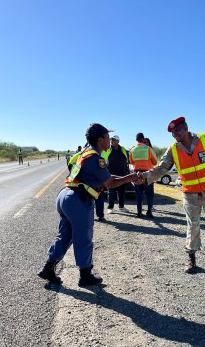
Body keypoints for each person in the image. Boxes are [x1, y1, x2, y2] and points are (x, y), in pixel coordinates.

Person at [38, 123, 139, 287]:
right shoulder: (96, 158)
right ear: (100, 140)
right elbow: (110, 183)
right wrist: (130, 178)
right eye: (107, 137)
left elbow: (104, 176)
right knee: (83, 238)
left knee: (65, 235)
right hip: (78, 200)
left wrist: (128, 176)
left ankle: (48, 268)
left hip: (65, 196)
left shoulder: (84, 153)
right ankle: (85, 276)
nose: (110, 140)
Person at [139, 117, 205, 273]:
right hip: (190, 194)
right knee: (192, 226)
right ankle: (191, 259)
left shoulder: (204, 139)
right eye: (173, 133)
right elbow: (161, 169)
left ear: (186, 128)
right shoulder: (173, 149)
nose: (175, 135)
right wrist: (145, 177)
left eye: (177, 131)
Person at [130, 132, 157, 218]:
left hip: (137, 174)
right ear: (143, 139)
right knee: (149, 193)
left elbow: (131, 162)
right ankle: (149, 211)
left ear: (136, 139)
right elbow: (155, 161)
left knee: (138, 194)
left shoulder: (132, 149)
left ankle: (139, 212)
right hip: (147, 174)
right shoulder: (148, 149)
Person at [105, 135, 129, 214]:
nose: (112, 141)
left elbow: (126, 161)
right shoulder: (108, 150)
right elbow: (103, 160)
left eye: (114, 140)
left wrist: (127, 172)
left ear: (118, 141)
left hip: (122, 174)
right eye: (112, 140)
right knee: (111, 192)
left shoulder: (123, 149)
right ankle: (110, 208)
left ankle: (121, 207)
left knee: (122, 192)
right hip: (111, 175)